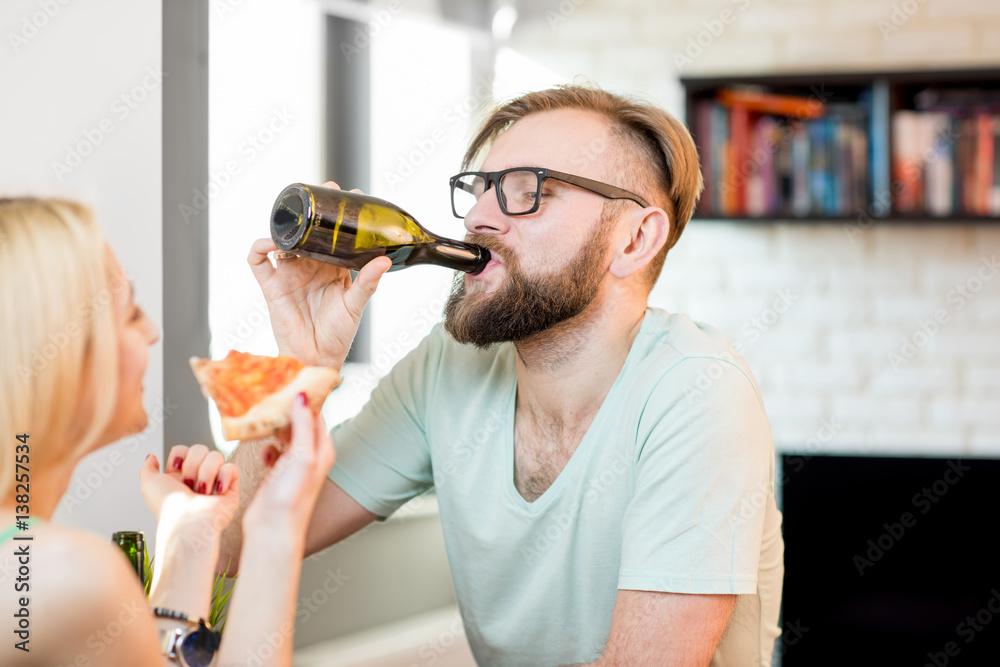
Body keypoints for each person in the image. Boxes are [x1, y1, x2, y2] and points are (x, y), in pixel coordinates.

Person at [225, 85, 784, 666]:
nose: (476, 218)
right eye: (481, 190)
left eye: (529, 192)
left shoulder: (697, 393)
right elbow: (234, 541)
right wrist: (301, 367)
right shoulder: (448, 365)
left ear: (635, 239)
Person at [0, 198, 337, 667]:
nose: (153, 332)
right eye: (132, 314)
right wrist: (275, 527)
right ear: (63, 353)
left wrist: (190, 536)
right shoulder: (71, 577)